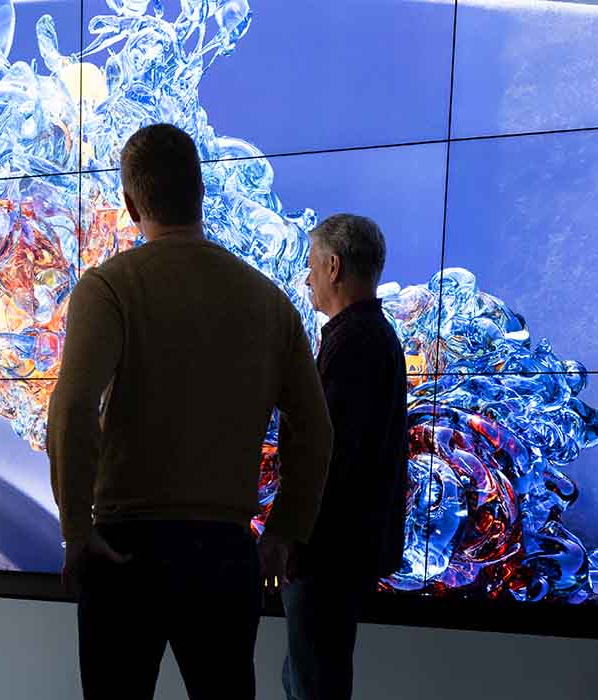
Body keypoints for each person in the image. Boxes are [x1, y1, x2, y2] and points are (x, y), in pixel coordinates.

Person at [47, 123, 333, 700]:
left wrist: (77, 527)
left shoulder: (110, 287)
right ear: (202, 193)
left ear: (130, 204)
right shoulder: (268, 300)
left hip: (125, 549)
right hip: (224, 553)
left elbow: (74, 408)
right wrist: (284, 531)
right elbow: (315, 431)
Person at [282, 214, 408, 700]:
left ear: (333, 266)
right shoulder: (371, 336)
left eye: (312, 265)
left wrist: (293, 533)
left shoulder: (354, 342)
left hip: (327, 553)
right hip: (343, 551)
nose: (308, 278)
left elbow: (330, 453)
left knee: (313, 685)